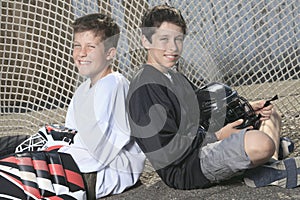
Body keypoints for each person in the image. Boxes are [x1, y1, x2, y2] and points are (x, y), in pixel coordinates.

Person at [126, 4, 299, 190]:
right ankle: (266, 158)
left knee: (271, 116)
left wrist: (249, 107)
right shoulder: (144, 88)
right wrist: (217, 136)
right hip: (187, 166)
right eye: (164, 39)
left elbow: (201, 109)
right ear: (145, 41)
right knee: (261, 143)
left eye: (178, 39)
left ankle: (266, 165)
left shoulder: (173, 76)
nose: (173, 47)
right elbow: (164, 150)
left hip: (202, 142)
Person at [0, 13, 145, 199]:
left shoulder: (114, 84)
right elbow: (72, 134)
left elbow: (96, 153)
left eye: (90, 47)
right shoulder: (84, 89)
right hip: (68, 158)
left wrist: (46, 152)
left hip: (90, 175)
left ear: (110, 53)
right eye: (77, 46)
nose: (81, 53)